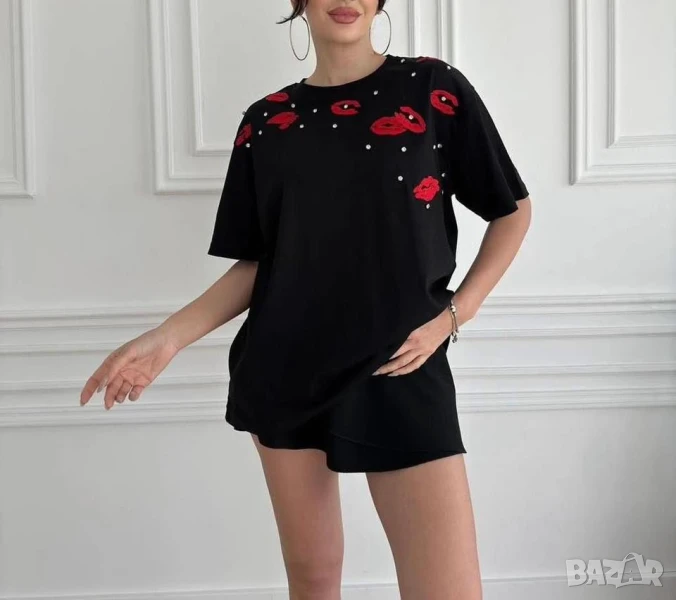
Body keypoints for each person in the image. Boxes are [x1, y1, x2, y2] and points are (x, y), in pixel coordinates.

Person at [80, 0, 532, 597]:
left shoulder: (432, 88)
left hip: (402, 364)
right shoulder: (267, 121)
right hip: (285, 369)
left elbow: (511, 211)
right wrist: (167, 339)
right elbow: (261, 263)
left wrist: (455, 313)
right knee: (314, 579)